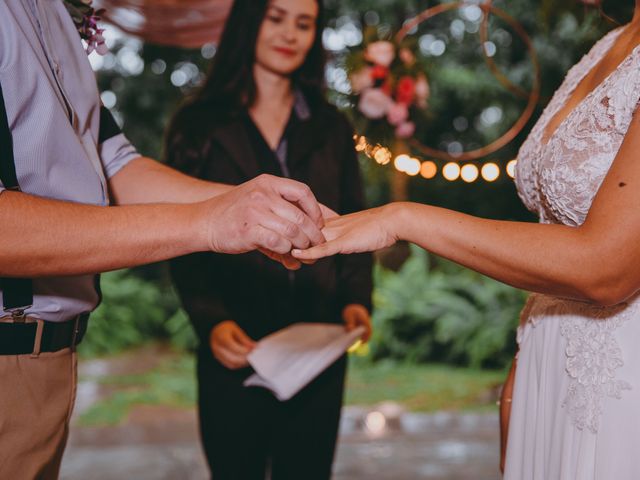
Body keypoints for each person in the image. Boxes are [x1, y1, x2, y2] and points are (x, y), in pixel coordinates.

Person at [293, 2, 640, 478]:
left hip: (618, 391)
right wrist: (522, 378)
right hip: (547, 373)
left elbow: (607, 267)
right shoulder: (609, 44)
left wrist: (403, 218)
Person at [0, 0, 330, 478]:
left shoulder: (55, 16)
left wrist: (257, 206)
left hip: (47, 364)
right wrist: (209, 222)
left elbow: (117, 165)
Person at [165, 0, 373, 478]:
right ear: (249, 22)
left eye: (304, 23)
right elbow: (183, 234)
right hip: (233, 342)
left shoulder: (333, 127)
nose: (290, 34)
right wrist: (210, 320)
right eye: (276, 17)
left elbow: (354, 218)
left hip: (317, 345)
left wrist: (357, 300)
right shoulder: (197, 124)